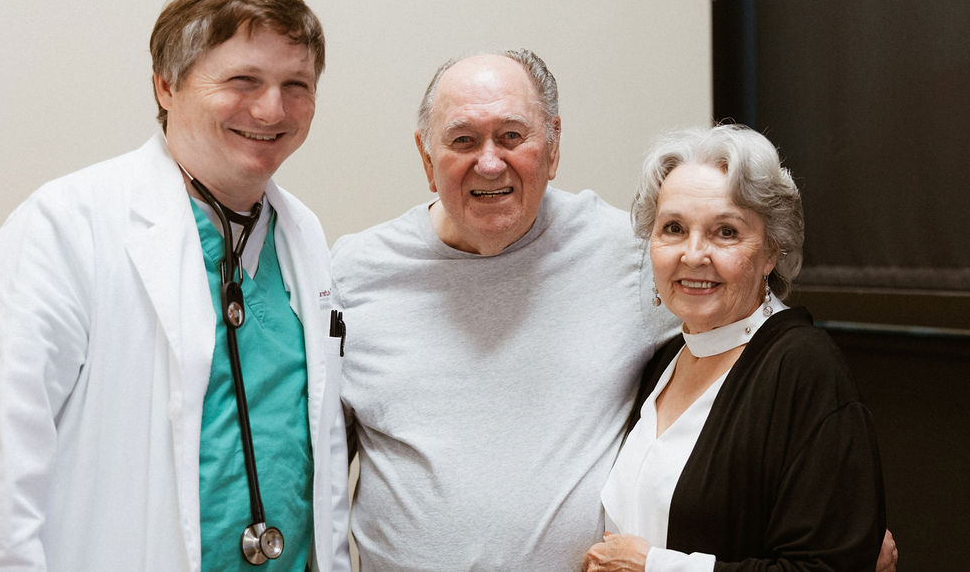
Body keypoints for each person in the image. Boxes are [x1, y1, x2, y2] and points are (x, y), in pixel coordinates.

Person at [0, 0, 351, 571]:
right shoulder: (68, 226)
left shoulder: (304, 236)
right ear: (166, 85)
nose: (273, 109)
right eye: (243, 81)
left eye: (297, 85)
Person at [331, 50, 680, 570]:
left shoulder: (629, 255)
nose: (489, 162)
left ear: (553, 146)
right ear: (427, 159)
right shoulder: (352, 272)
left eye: (512, 136)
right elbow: (317, 466)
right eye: (463, 140)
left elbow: (743, 350)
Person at [583, 124, 888, 571]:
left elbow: (826, 567)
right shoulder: (668, 358)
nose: (693, 254)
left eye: (725, 232)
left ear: (771, 252)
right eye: (673, 228)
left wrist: (654, 568)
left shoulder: (803, 368)